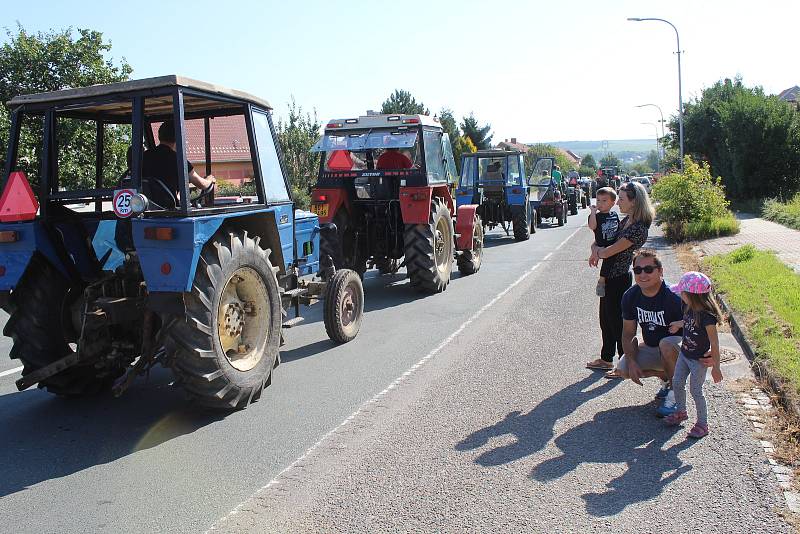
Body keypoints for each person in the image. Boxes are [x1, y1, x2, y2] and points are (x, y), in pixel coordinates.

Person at [586, 181, 654, 376]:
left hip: (619, 278)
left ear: (634, 202)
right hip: (608, 277)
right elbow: (602, 242)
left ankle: (625, 364)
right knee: (605, 321)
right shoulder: (625, 221)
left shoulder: (638, 228)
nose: (617, 203)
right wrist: (596, 249)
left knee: (619, 324)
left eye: (621, 199)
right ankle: (606, 359)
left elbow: (609, 251)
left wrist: (598, 251)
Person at [614, 250, 683, 403]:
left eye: (648, 269)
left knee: (666, 344)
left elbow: (699, 325)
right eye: (638, 270)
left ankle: (675, 395)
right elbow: (628, 334)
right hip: (654, 348)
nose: (642, 274)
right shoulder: (630, 296)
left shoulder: (675, 297)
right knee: (623, 369)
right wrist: (631, 361)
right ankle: (665, 377)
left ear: (660, 271)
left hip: (681, 352)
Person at [663, 271, 723, 438]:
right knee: (677, 382)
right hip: (684, 354)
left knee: (696, 390)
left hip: (698, 361)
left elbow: (715, 342)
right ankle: (681, 411)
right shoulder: (688, 307)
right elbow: (689, 322)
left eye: (682, 293)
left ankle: (703, 424)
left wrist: (716, 368)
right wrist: (678, 324)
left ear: (692, 295)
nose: (680, 295)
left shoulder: (708, 318)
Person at [142, 120, 216, 207]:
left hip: (145, 207)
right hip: (169, 210)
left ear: (159, 136)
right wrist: (209, 180)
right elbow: (201, 184)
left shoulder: (143, 157)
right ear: (178, 137)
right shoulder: (178, 160)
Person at [587, 187, 620, 297]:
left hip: (613, 242)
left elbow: (618, 228)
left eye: (604, 201)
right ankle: (601, 281)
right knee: (609, 258)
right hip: (602, 244)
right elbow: (592, 226)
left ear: (612, 203)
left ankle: (605, 278)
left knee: (612, 258)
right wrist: (592, 212)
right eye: (598, 200)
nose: (600, 203)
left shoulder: (614, 215)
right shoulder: (596, 216)